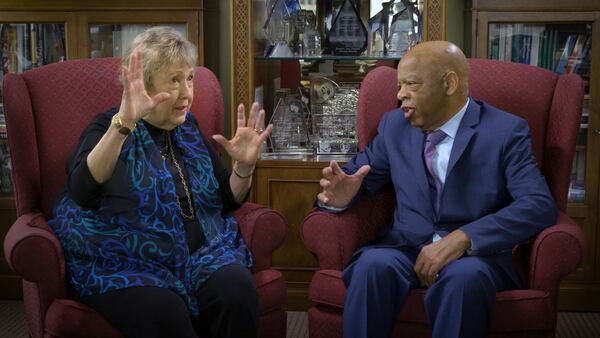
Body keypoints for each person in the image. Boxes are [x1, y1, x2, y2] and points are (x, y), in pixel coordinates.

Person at [317, 41, 557, 338]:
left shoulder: (505, 131)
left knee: (464, 280)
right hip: (404, 248)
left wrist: (464, 238)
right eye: (399, 85)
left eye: (411, 84)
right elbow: (354, 176)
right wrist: (340, 198)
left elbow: (538, 204)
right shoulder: (395, 125)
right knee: (371, 266)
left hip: (473, 258)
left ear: (449, 83)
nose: (400, 95)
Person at [48, 26, 272, 338]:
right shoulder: (107, 126)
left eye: (190, 78)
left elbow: (226, 200)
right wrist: (124, 123)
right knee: (164, 312)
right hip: (126, 260)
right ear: (143, 84)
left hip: (200, 255)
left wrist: (244, 167)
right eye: (174, 80)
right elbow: (83, 191)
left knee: (236, 290)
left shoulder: (190, 130)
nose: (187, 93)